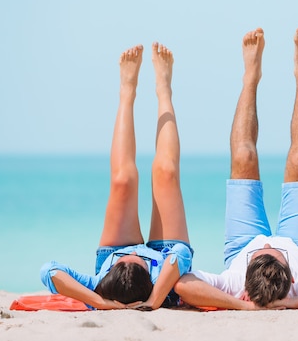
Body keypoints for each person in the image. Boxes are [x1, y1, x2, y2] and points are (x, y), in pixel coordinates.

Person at [176, 28, 298, 310]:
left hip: (242, 243)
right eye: (273, 253)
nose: (267, 246)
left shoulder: (234, 278)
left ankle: (250, 77)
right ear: (292, 282)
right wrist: (297, 302)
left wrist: (239, 305)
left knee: (243, 156)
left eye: (263, 253)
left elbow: (182, 284)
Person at [40, 42, 193, 310]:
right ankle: (164, 90)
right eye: (138, 259)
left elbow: (49, 270)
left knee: (123, 180)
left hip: (111, 252)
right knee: (166, 173)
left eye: (127, 257)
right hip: (165, 256)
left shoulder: (100, 282)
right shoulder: (158, 281)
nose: (134, 251)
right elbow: (179, 255)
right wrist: (155, 300)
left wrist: (101, 302)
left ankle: (127, 92)